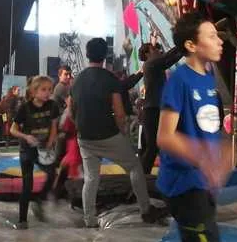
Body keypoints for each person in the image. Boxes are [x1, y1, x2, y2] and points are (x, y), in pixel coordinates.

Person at [152, 13, 233, 242]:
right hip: (185, 187)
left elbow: (206, 126)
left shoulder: (208, 75)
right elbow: (165, 136)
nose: (220, 41)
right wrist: (202, 157)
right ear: (191, 45)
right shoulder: (179, 81)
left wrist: (221, 155)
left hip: (203, 183)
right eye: (212, 36)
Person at [66, 38, 162, 228]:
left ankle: (89, 220)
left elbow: (70, 111)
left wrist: (80, 127)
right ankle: (146, 210)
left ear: (87, 54)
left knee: (91, 178)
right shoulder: (109, 79)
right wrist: (123, 133)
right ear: (105, 56)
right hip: (108, 135)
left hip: (84, 137)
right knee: (134, 167)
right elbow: (119, 112)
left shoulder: (77, 80)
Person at [10, 76, 60, 228]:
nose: (47, 93)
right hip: (27, 149)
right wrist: (26, 136)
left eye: (50, 90)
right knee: (27, 184)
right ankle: (22, 220)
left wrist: (50, 142)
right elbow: (12, 129)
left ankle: (39, 200)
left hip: (43, 148)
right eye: (43, 90)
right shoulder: (25, 108)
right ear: (33, 91)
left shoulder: (52, 105)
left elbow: (54, 126)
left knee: (52, 174)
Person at [138, 43, 183, 174]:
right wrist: (182, 44)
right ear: (147, 54)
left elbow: (168, 59)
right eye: (154, 49)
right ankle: (142, 176)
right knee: (152, 147)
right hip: (153, 110)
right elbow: (168, 58)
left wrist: (183, 49)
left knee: (152, 147)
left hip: (153, 110)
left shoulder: (152, 65)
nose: (158, 50)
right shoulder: (151, 64)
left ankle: (143, 175)